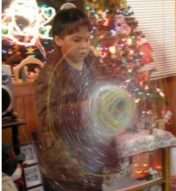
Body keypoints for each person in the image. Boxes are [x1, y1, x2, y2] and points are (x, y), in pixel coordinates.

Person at [35, 8, 118, 191]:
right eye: (76, 40)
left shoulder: (94, 65)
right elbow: (46, 117)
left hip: (94, 153)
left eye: (87, 39)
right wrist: (83, 108)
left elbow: (106, 93)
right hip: (66, 163)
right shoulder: (49, 74)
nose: (84, 46)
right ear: (58, 40)